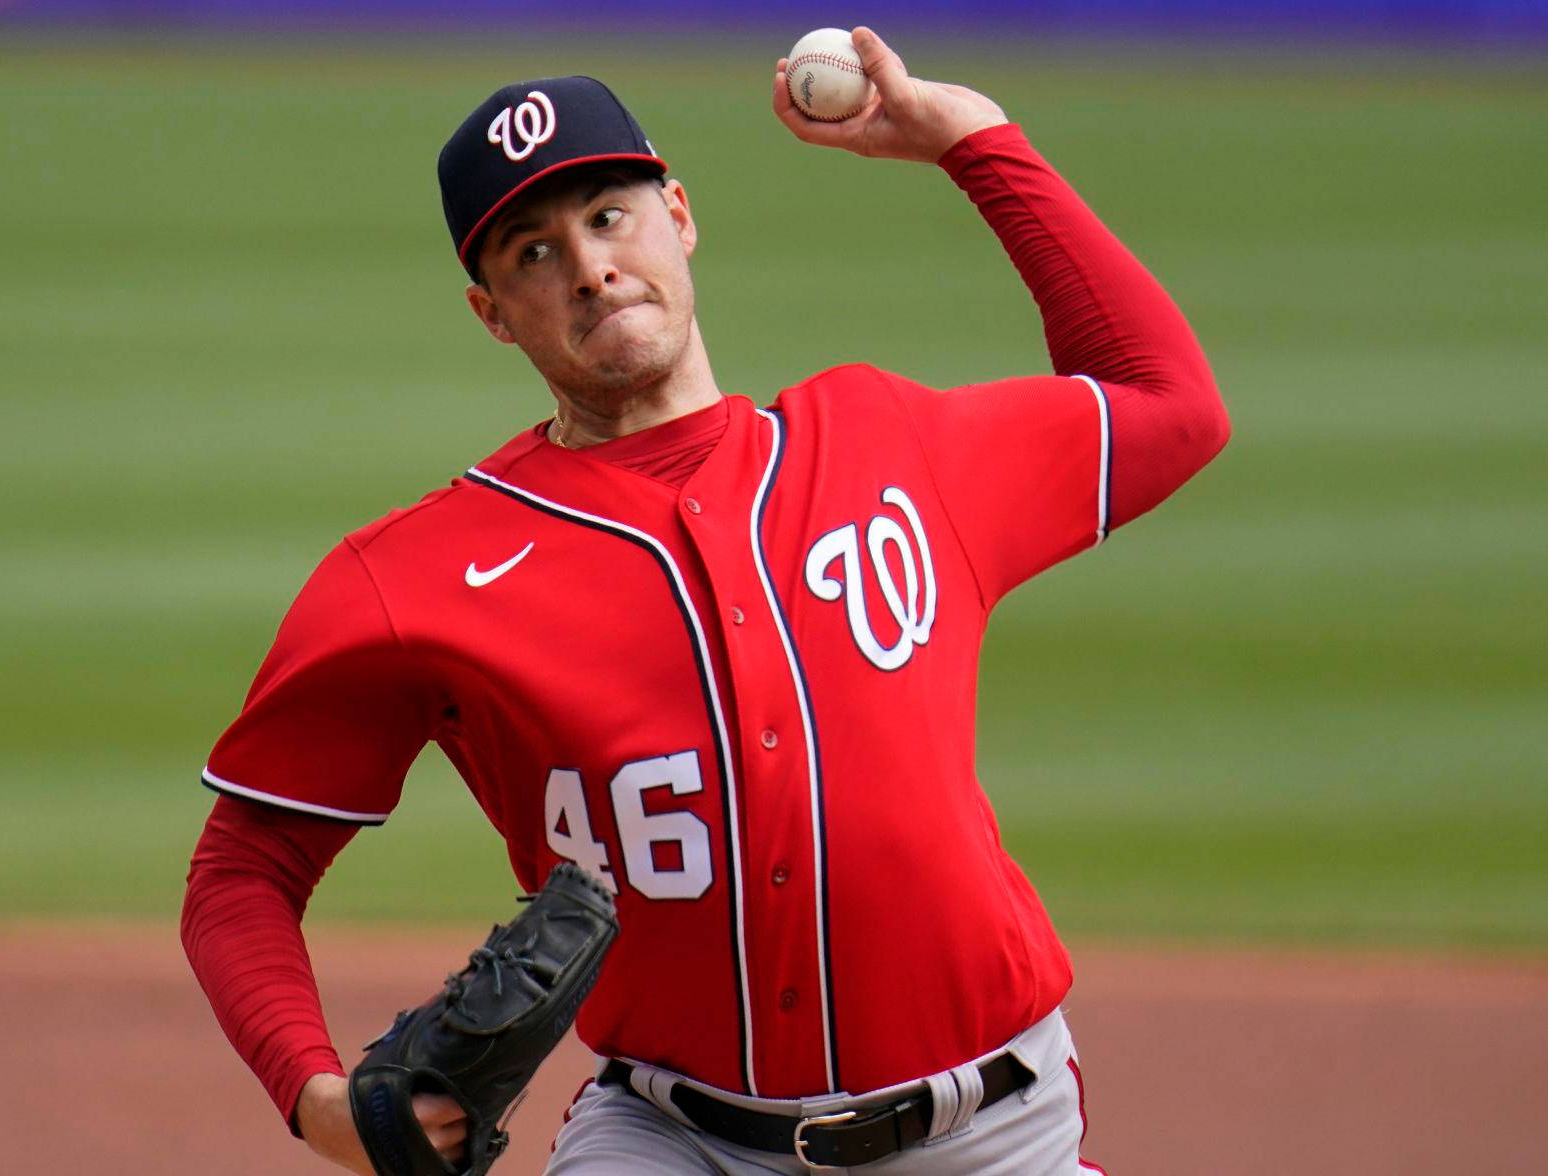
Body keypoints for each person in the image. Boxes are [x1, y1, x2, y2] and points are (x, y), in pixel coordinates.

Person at [181, 26, 1228, 1175]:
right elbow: (242, 871)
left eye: (607, 216)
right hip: (671, 1142)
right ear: (490, 312)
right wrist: (317, 1099)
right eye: (531, 252)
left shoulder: (892, 447)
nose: (586, 266)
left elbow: (1169, 405)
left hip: (989, 1135)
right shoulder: (419, 574)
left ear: (677, 215)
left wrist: (970, 140)